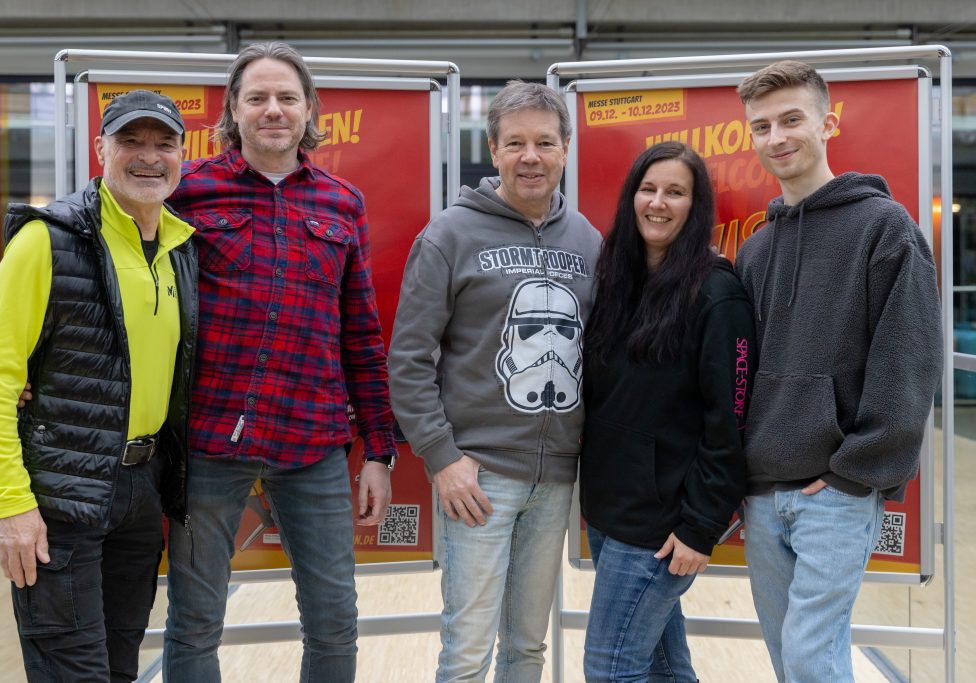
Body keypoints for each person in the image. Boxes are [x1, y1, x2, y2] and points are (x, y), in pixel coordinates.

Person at [161, 42, 396, 683]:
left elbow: (361, 334)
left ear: (309, 110)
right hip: (209, 441)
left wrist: (379, 449)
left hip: (314, 443)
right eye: (257, 98)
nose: (273, 110)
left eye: (286, 98)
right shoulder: (187, 192)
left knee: (333, 623)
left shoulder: (343, 203)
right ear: (233, 111)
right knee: (194, 623)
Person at [0, 89, 196, 682]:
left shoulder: (179, 249)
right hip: (59, 498)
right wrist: (12, 505)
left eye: (163, 143)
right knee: (74, 672)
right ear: (100, 149)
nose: (149, 157)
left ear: (183, 154)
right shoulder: (45, 240)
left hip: (140, 492)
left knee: (120, 667)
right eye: (130, 142)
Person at [735, 60, 942, 682]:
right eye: (762, 126)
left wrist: (857, 471)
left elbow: (908, 361)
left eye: (791, 119)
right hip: (761, 491)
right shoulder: (755, 247)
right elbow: (738, 372)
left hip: (837, 491)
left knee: (809, 656)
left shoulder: (886, 229)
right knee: (789, 655)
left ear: (827, 124)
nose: (777, 137)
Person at [388, 80, 602, 682]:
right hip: (476, 476)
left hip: (556, 478)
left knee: (527, 649)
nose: (529, 156)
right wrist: (442, 457)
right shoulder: (450, 235)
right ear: (494, 150)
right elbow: (408, 358)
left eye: (543, 142)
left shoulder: (586, 240)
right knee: (466, 654)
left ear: (564, 148)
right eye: (515, 144)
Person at [578, 141, 754, 682]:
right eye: (648, 189)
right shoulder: (617, 281)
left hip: (662, 528)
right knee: (664, 670)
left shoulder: (716, 294)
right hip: (610, 511)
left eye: (675, 192)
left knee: (610, 670)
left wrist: (702, 525)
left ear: (695, 207)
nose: (658, 202)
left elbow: (731, 422)